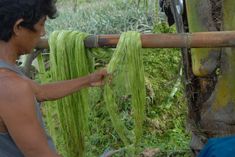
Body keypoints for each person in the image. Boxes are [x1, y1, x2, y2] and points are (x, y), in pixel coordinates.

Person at [0, 0, 108, 156]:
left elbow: (41, 92)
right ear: (19, 27)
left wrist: (90, 79)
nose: (43, 33)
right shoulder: (10, 86)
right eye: (42, 24)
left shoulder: (7, 73)